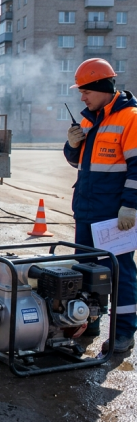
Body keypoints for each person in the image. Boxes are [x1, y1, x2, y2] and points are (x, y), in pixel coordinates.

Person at [64, 57, 137, 354]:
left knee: (120, 274)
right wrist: (72, 144)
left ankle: (123, 334)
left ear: (102, 87)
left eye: (86, 91)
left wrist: (130, 206)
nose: (82, 96)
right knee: (84, 271)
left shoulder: (130, 117)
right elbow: (75, 163)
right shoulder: (88, 118)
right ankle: (88, 322)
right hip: (86, 211)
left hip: (113, 215)